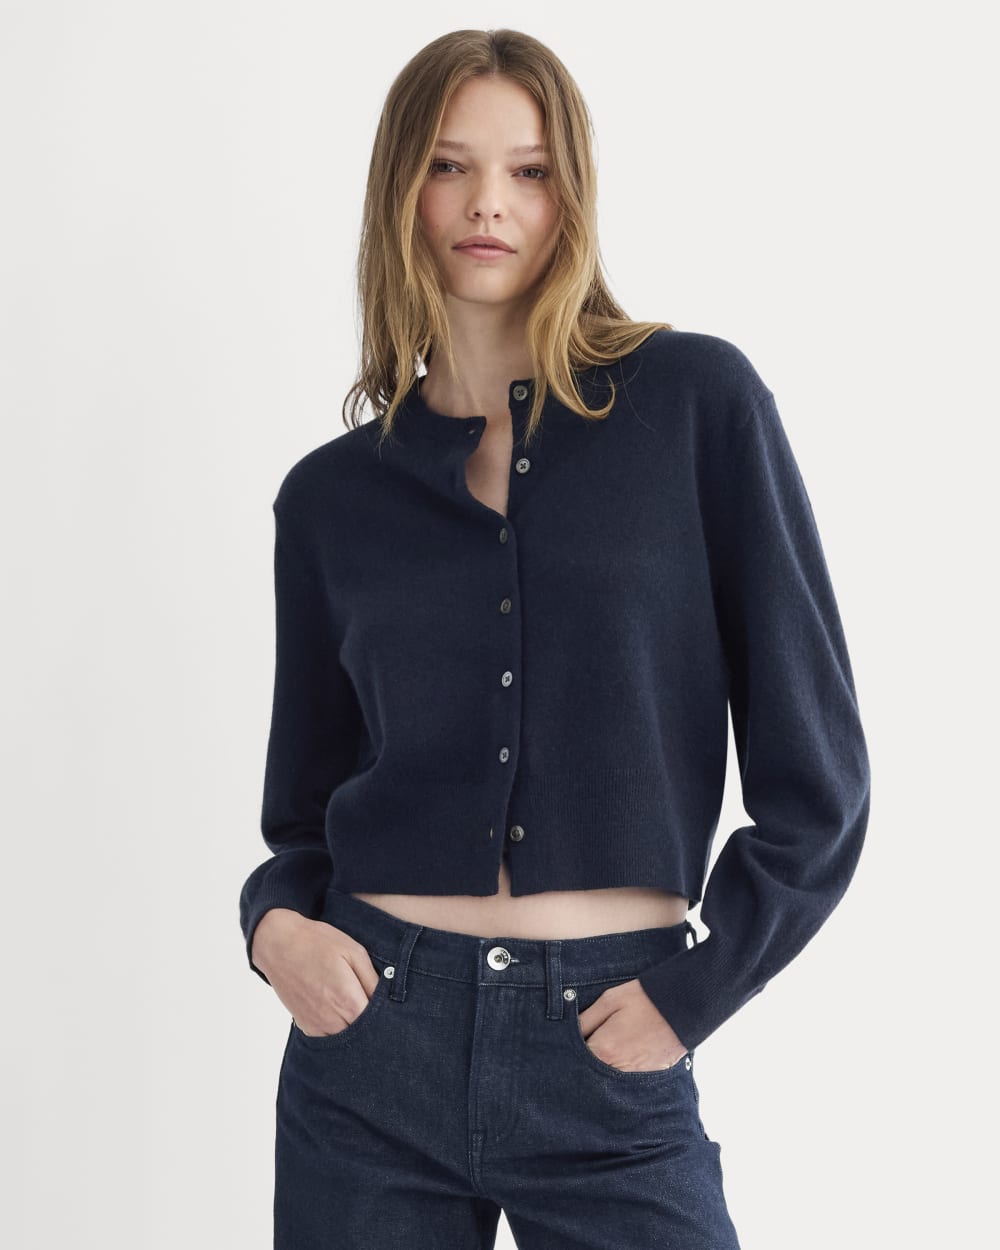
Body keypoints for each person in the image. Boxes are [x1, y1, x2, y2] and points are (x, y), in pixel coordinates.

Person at [238, 28, 871, 1250]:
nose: (488, 202)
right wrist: (275, 929)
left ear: (570, 191)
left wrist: (695, 992)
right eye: (449, 165)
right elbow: (301, 813)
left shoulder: (697, 407)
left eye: (527, 171)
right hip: (366, 1051)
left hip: (607, 1040)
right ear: (400, 190)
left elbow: (820, 781)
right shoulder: (329, 497)